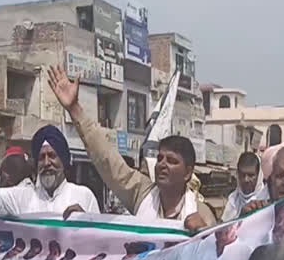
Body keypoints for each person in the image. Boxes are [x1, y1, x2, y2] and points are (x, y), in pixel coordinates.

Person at [47, 65, 215, 231]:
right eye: (160, 158)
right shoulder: (142, 193)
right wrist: (75, 109)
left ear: (187, 172)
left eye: (172, 161)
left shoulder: (201, 214)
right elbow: (108, 162)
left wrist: (203, 233)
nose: (162, 164)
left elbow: (220, 252)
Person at [0, 125, 99, 218]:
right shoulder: (22, 198)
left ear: (63, 160)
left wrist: (86, 222)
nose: (47, 163)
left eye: (52, 155)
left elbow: (102, 242)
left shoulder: (84, 196)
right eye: (41, 158)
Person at [222, 152, 268, 221]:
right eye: (242, 175)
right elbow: (223, 228)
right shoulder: (233, 200)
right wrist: (240, 217)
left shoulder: (266, 200)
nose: (246, 180)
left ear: (259, 176)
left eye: (251, 175)